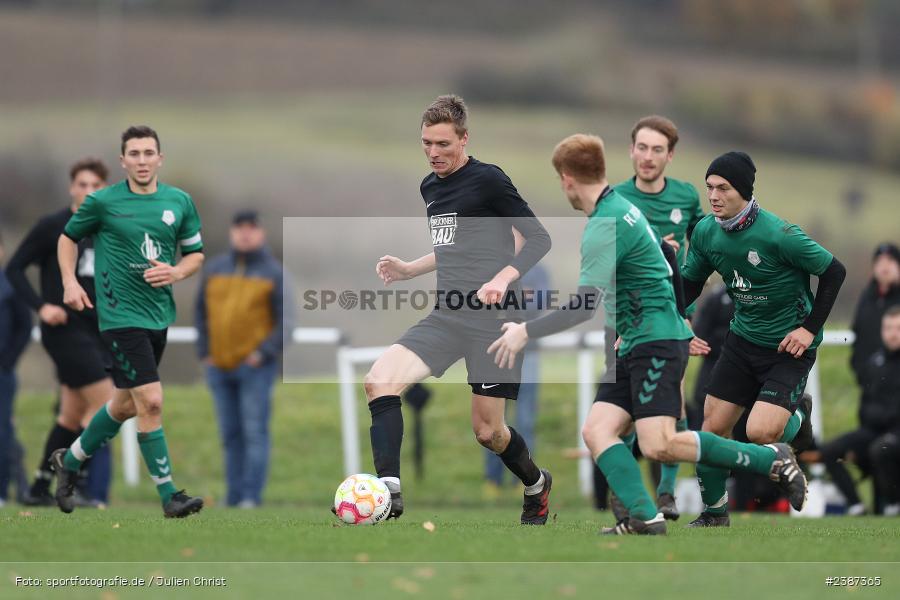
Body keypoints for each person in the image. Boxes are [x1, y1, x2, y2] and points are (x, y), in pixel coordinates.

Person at [489, 134, 808, 535]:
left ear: (567, 179)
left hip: (654, 342)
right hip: (639, 339)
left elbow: (585, 304)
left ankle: (770, 460)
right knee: (598, 430)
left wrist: (525, 332)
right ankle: (645, 516)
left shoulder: (604, 225)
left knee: (659, 443)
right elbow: (669, 257)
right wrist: (669, 321)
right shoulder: (623, 209)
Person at [364, 95, 553, 524]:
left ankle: (537, 484)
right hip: (447, 315)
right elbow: (452, 246)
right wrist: (410, 269)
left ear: (464, 139)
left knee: (489, 433)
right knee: (378, 381)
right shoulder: (429, 187)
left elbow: (539, 239)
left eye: (443, 144)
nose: (434, 153)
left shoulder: (489, 180)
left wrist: (503, 278)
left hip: (495, 321)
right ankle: (388, 495)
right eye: (427, 143)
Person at [680, 151, 846, 526]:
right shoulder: (707, 232)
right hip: (741, 342)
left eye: (723, 188)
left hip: (788, 347)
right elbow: (689, 284)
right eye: (710, 188)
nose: (714, 196)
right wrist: (669, 317)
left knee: (758, 432)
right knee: (712, 428)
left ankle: (798, 416)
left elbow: (834, 271)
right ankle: (714, 514)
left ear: (744, 191)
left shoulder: (779, 235)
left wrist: (809, 329)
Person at [53, 125, 205, 518]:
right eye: (133, 154)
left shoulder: (179, 201)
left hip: (159, 316)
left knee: (122, 406)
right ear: (123, 161)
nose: (141, 160)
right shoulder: (102, 202)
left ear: (160, 158)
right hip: (119, 317)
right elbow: (67, 239)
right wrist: (69, 282)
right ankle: (170, 496)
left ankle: (68, 461)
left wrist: (176, 273)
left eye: (148, 153)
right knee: (151, 401)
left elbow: (195, 255)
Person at [609, 115, 705, 520]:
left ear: (671, 155)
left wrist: (690, 312)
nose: (648, 157)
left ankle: (665, 495)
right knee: (626, 411)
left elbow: (704, 247)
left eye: (657, 150)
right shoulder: (614, 199)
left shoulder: (686, 197)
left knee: (672, 403)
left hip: (672, 317)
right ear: (631, 150)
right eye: (642, 148)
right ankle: (628, 491)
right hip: (626, 318)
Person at [6, 158, 114, 507]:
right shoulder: (53, 226)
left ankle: (39, 487)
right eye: (82, 184)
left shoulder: (109, 228)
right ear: (72, 188)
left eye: (95, 185)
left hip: (99, 333)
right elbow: (15, 269)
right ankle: (75, 481)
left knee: (70, 415)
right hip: (65, 331)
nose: (88, 191)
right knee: (107, 407)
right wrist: (41, 307)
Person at [196, 209, 286, 508]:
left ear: (261, 233)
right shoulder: (215, 268)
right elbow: (200, 313)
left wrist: (261, 354)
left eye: (251, 228)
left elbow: (287, 323)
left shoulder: (273, 273)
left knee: (254, 433)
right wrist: (205, 351)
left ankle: (250, 497)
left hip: (255, 369)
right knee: (230, 435)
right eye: (240, 228)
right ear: (232, 232)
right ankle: (232, 498)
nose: (245, 233)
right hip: (218, 367)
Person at [803, 306, 900, 515]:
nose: (892, 333)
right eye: (888, 328)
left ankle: (893, 505)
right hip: (872, 430)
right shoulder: (875, 361)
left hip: (895, 433)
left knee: (881, 448)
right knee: (829, 450)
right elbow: (867, 402)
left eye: (897, 328)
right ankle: (856, 505)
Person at [483, 263, 549, 493]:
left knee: (525, 420)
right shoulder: (491, 266)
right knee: (491, 420)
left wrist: (505, 302)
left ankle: (524, 479)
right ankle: (492, 480)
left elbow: (540, 303)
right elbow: (484, 305)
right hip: (495, 350)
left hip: (527, 353)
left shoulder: (538, 270)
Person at [0, 234, 33, 506]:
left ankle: (2, 491)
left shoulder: (10, 285)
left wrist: (8, 360)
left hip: (2, 373)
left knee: (3, 431)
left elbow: (24, 327)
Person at [850, 243, 900, 387]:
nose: (885, 266)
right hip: (870, 381)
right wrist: (859, 368)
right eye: (880, 261)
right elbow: (858, 332)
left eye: (890, 260)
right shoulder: (866, 297)